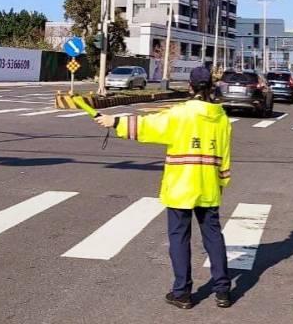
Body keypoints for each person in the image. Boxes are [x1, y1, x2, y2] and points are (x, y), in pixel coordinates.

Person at [95, 64, 233, 310]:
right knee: (213, 236)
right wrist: (222, 181)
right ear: (211, 87)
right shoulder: (221, 118)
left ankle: (182, 293)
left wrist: (113, 122)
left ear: (190, 87)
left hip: (181, 185)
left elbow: (148, 126)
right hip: (209, 185)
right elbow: (224, 156)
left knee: (179, 237)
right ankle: (223, 290)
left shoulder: (180, 114)